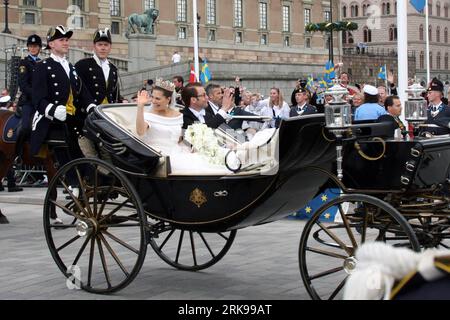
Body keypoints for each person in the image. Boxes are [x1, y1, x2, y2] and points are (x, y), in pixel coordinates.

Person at [30, 25, 96, 200]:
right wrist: (51, 109)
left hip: (72, 118)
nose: (66, 43)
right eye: (62, 40)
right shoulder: (43, 66)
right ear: (51, 44)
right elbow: (37, 99)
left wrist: (90, 106)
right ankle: (73, 182)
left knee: (89, 140)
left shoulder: (71, 67)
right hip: (52, 120)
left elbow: (82, 92)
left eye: (67, 40)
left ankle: (91, 178)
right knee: (64, 142)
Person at [75, 28, 124, 158]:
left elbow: (114, 94)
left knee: (110, 156)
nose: (103, 48)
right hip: (87, 119)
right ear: (94, 46)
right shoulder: (83, 65)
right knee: (90, 156)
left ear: (110, 47)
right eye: (100, 45)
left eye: (106, 45)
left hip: (107, 119)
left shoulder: (113, 69)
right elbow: (78, 91)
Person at [15, 34, 43, 165]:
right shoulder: (24, 63)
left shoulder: (42, 63)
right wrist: (36, 95)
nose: (33, 48)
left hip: (40, 102)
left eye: (35, 46)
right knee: (25, 127)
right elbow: (23, 85)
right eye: (31, 46)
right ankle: (18, 153)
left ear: (39, 48)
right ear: (28, 48)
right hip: (28, 102)